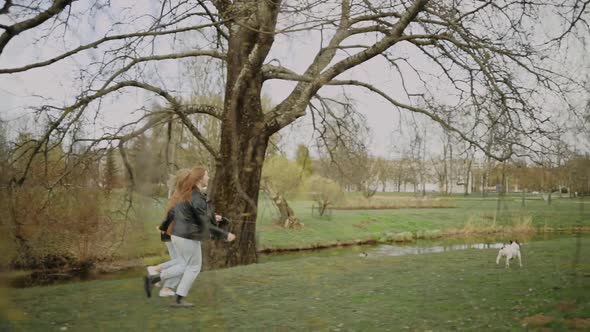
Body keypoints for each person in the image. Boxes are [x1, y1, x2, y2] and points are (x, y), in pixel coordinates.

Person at [143, 166, 236, 307]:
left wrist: (214, 217)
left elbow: (188, 215)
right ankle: (171, 293)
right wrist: (224, 235)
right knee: (193, 267)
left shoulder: (188, 194)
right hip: (187, 236)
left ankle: (161, 284)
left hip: (178, 235)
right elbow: (203, 223)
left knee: (184, 265)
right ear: (199, 179)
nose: (208, 177)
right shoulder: (196, 196)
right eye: (206, 175)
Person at [146, 168, 191, 297]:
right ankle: (155, 270)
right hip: (172, 233)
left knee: (180, 261)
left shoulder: (180, 194)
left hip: (169, 232)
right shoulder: (181, 196)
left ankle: (167, 288)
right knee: (184, 262)